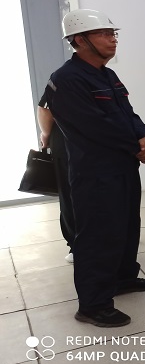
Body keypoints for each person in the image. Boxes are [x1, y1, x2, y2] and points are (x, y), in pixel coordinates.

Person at [45, 9, 145, 328]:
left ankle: (122, 278)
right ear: (79, 40)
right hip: (95, 171)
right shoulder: (66, 79)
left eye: (113, 34)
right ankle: (93, 304)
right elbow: (94, 126)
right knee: (98, 235)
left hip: (122, 165)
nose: (113, 40)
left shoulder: (106, 75)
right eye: (104, 34)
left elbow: (127, 112)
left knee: (126, 226)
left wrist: (144, 134)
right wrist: (136, 144)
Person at [36, 97, 74, 263]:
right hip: (71, 146)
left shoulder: (107, 77)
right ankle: (78, 245)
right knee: (73, 196)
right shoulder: (63, 79)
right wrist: (46, 134)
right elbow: (45, 108)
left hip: (75, 146)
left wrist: (46, 134)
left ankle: (79, 245)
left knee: (72, 196)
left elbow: (44, 109)